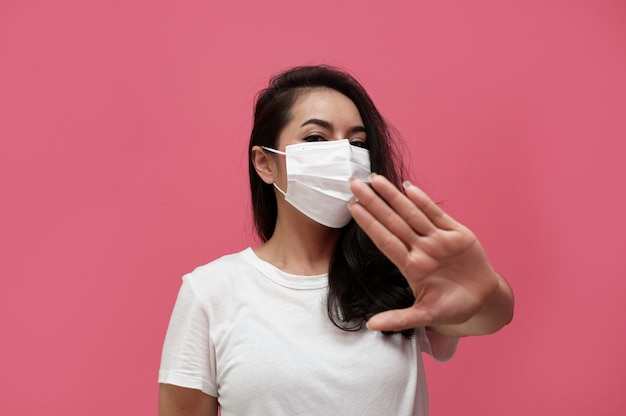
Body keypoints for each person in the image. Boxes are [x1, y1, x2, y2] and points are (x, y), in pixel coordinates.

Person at [158, 65, 514, 416]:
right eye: (315, 138)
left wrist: (486, 291)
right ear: (265, 163)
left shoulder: (400, 276)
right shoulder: (210, 291)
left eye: (357, 142)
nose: (343, 155)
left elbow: (488, 316)